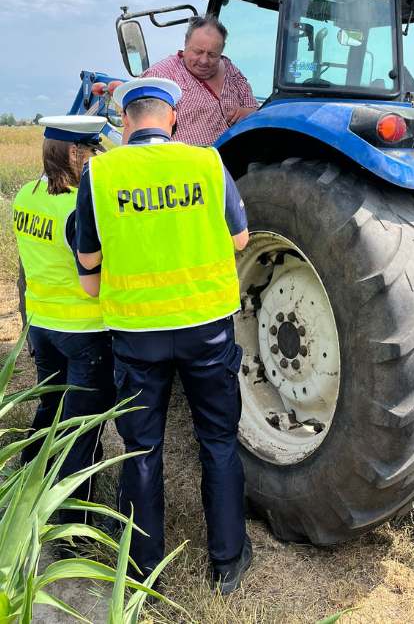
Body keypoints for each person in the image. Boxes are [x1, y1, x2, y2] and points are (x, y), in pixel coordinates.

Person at [74, 76, 254, 592]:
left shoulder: (101, 173)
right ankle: (227, 563)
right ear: (172, 119)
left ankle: (143, 568)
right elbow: (240, 239)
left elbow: (88, 262)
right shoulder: (207, 163)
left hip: (137, 336)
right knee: (218, 441)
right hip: (207, 333)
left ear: (126, 121)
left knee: (142, 447)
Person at [12, 116, 113, 537]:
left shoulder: (25, 195)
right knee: (80, 429)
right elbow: (93, 267)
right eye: (91, 149)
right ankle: (73, 527)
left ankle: (27, 475)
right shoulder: (79, 206)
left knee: (50, 405)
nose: (93, 157)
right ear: (74, 153)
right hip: (83, 331)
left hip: (41, 326)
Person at [138, 14, 258, 146]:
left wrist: (249, 113)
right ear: (186, 44)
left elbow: (255, 110)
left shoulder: (231, 70)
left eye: (212, 55)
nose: (204, 60)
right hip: (188, 163)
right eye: (198, 52)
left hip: (237, 160)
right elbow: (143, 132)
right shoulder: (160, 76)